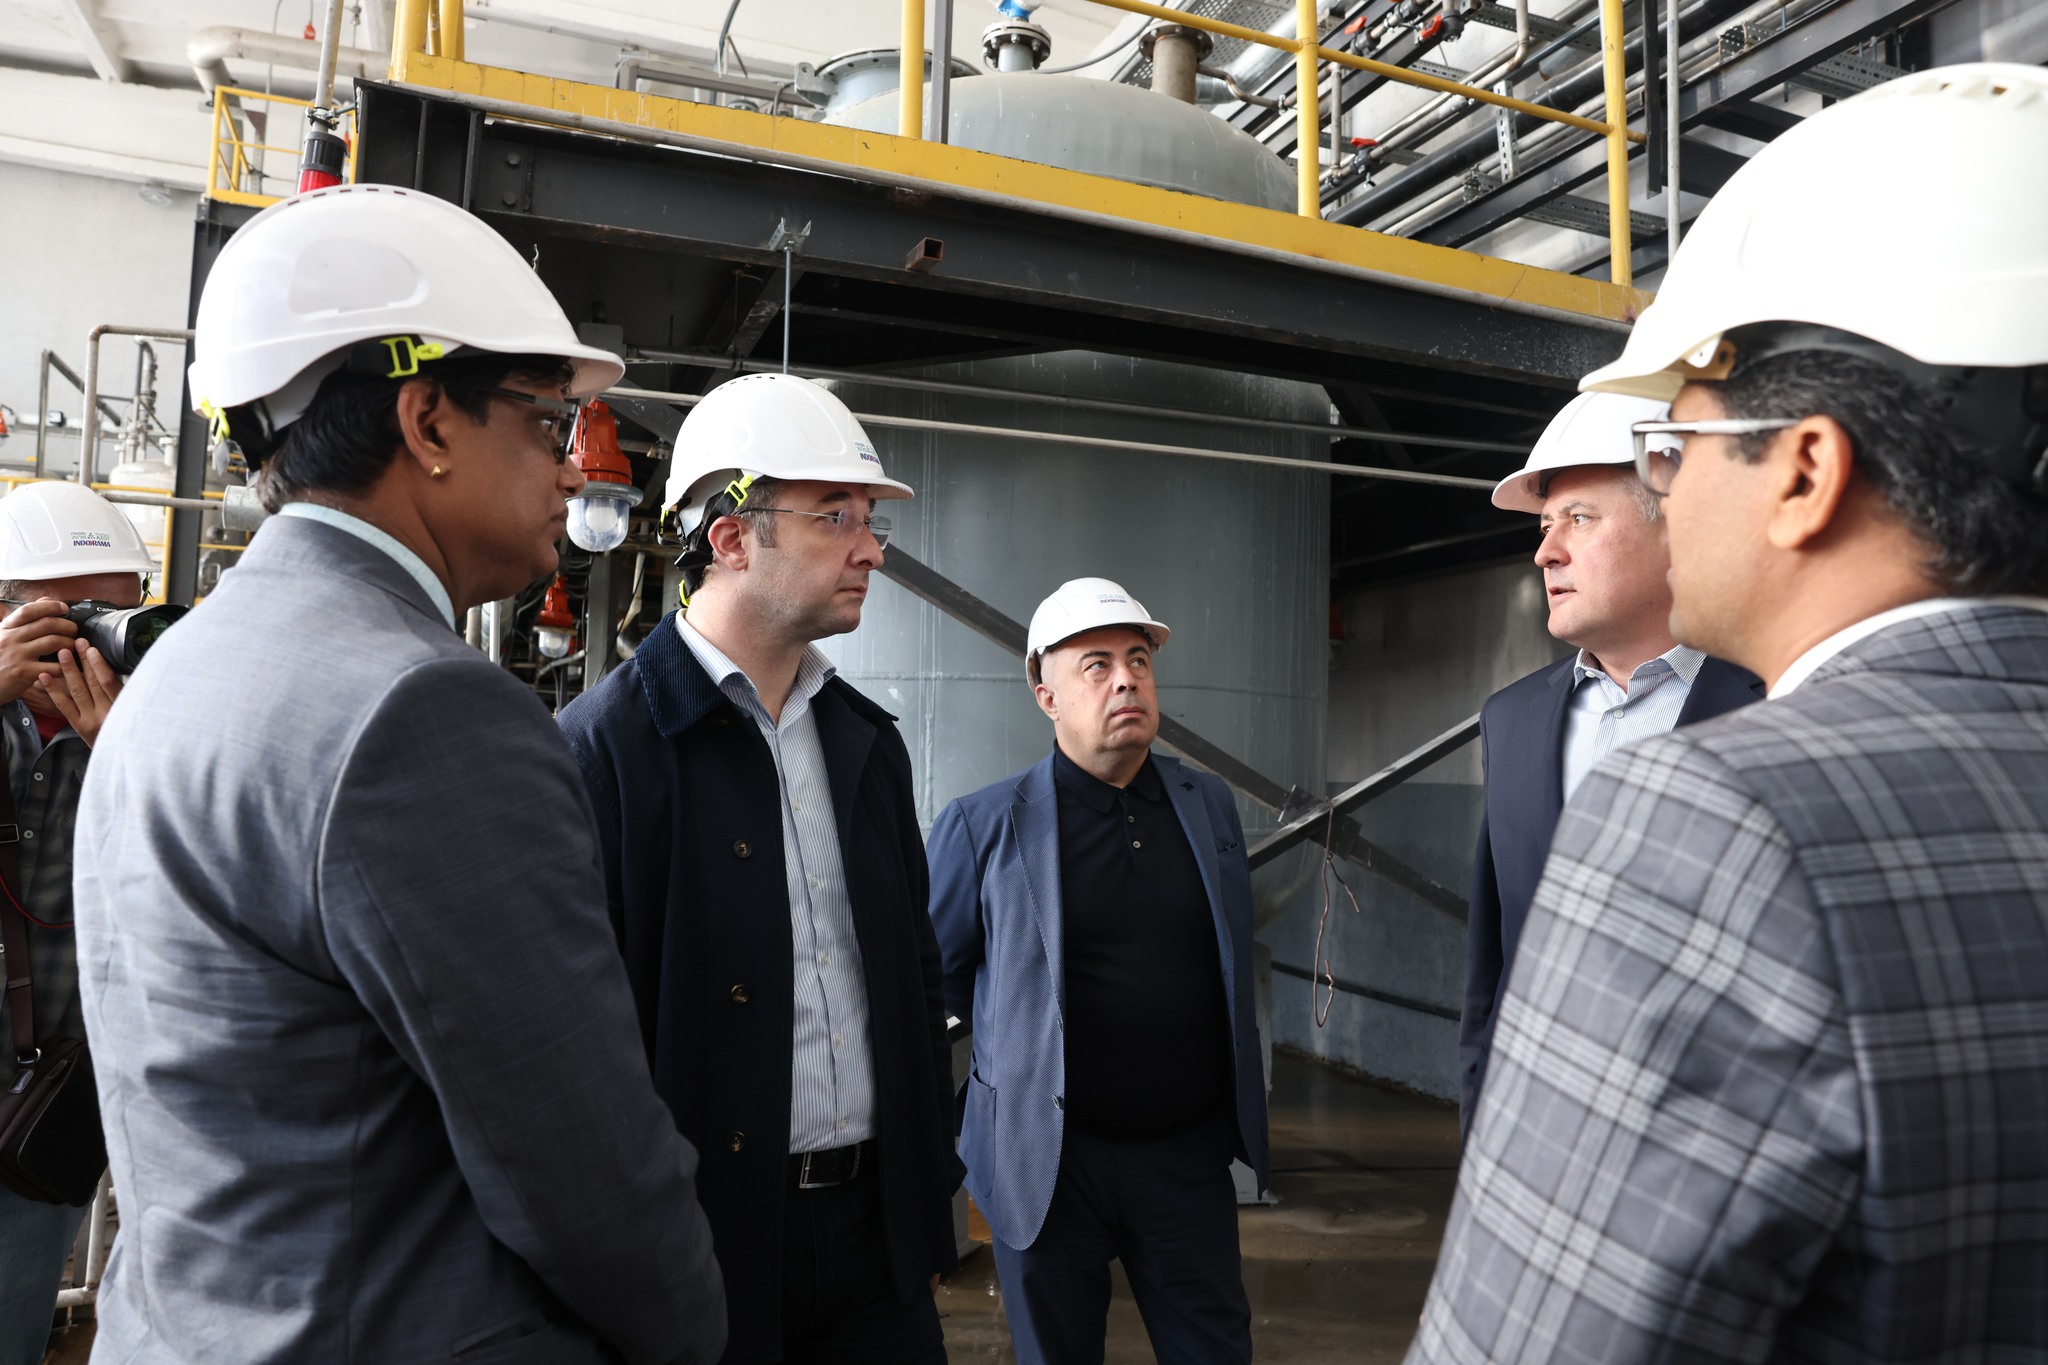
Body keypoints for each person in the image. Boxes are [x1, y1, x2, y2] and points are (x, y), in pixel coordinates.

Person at [1412, 63, 2048, 1361]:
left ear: (1804, 470)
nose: (1666, 491)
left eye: (1671, 450)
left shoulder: (1719, 814)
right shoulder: (1530, 720)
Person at [72, 185, 726, 1364]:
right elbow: (580, 1169)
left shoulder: (179, 671)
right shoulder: (423, 711)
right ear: (426, 421)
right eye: (546, 423)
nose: (571, 473)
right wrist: (691, 1331)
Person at [558, 372, 958, 1365]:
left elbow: (914, 975)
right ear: (732, 538)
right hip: (701, 1246)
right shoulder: (603, 752)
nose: (871, 548)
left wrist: (925, 1191)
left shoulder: (866, 743)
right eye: (834, 516)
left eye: (870, 520)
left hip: (878, 1247)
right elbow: (574, 1050)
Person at [926, 578, 1269, 1365]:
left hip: (1185, 1160)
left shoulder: (1208, 804)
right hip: (1047, 1167)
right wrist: (960, 1136)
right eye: (1098, 665)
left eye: (1139, 660)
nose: (1126, 680)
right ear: (1046, 696)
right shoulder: (983, 825)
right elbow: (931, 991)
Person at [1461, 391, 1760, 1132]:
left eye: (1579, 519)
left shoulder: (1778, 701)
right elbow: (1493, 964)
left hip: (1711, 1142)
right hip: (1537, 1131)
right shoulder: (1511, 721)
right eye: (1545, 526)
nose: (1546, 552)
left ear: (1678, 525)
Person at [0, 482, 155, 1364]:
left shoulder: (149, 730)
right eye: (73, 615)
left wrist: (134, 756)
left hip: (39, 1118)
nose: (96, 640)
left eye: (115, 615)